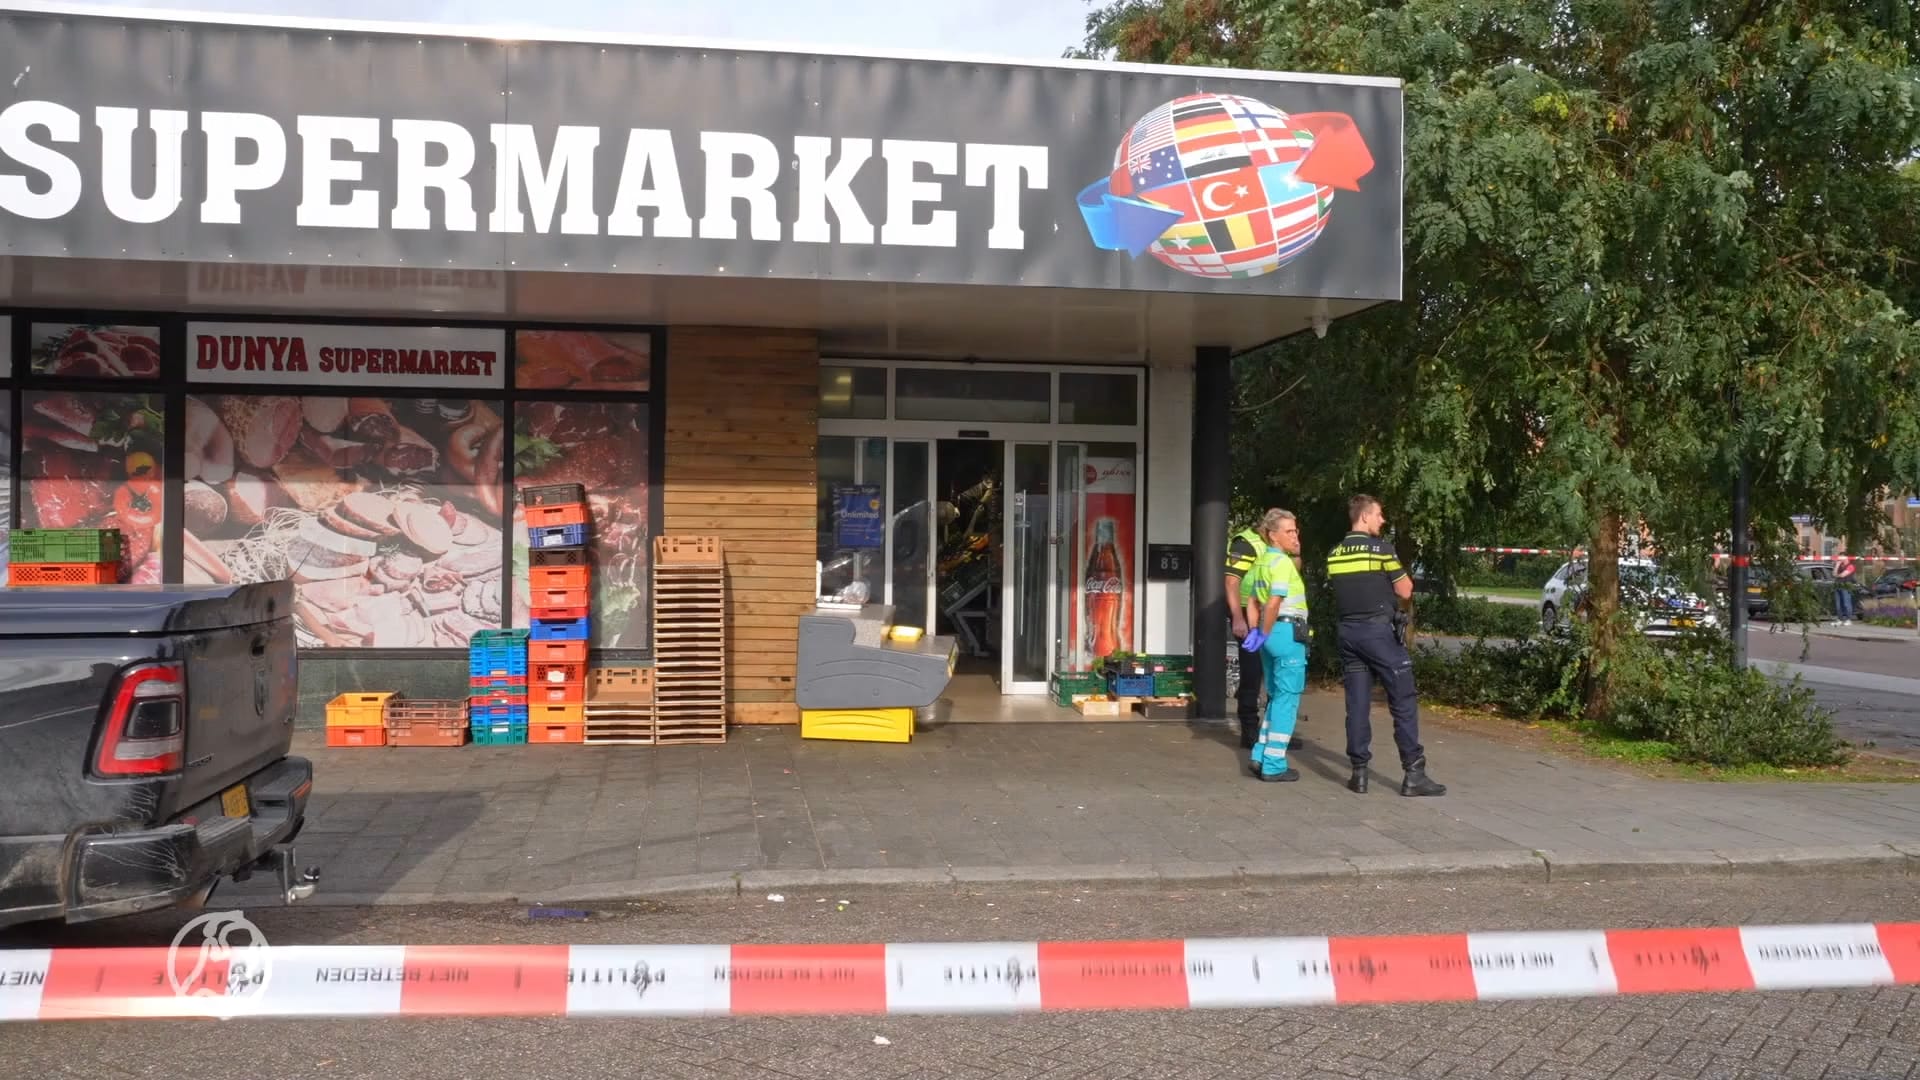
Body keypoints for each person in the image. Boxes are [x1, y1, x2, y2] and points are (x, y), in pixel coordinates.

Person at [1326, 494, 1445, 797]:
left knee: (1357, 704)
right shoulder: (1381, 550)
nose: (1383, 520)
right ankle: (1414, 772)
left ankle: (1359, 773)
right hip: (1378, 633)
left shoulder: (1334, 553)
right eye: (1379, 515)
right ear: (1365, 516)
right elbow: (1405, 589)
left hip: (1348, 634)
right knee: (1403, 698)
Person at [1241, 510, 1309, 781]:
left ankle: (1260, 755)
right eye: (1289, 531)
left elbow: (1252, 602)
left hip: (1269, 636)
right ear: (1273, 535)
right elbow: (1273, 603)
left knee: (1275, 696)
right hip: (1287, 633)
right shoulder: (1281, 563)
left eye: (1296, 530)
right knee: (1287, 698)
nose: (1295, 536)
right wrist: (1265, 630)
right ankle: (1273, 764)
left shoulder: (1261, 563)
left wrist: (1257, 633)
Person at [1223, 512, 1274, 751]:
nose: (1294, 534)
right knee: (1252, 672)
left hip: (1269, 614)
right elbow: (1231, 581)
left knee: (1272, 673)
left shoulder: (1275, 545)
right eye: (1289, 530)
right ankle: (1249, 730)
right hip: (1247, 615)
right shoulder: (1245, 543)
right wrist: (1237, 618)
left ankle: (1272, 732)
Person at [1834, 554, 1858, 625]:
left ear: (1846, 558)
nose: (1839, 559)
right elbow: (1833, 574)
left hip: (1846, 586)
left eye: (1841, 557)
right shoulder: (1839, 566)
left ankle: (1848, 619)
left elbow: (1843, 575)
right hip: (1838, 586)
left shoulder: (1851, 566)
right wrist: (1837, 565)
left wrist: (1837, 575)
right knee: (1838, 604)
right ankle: (1840, 619)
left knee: (1846, 603)